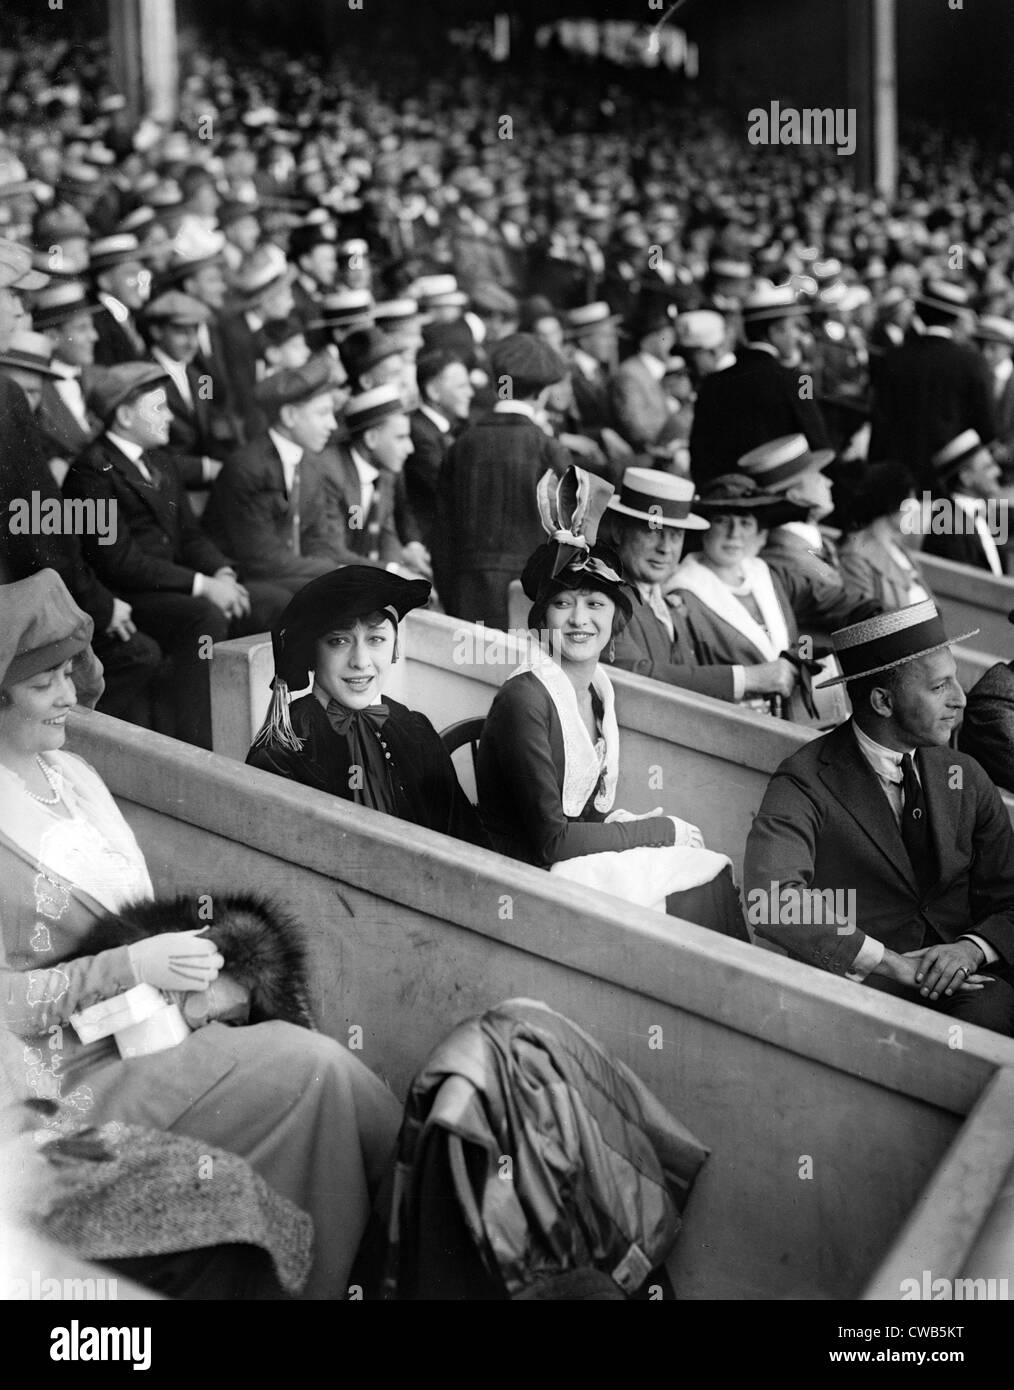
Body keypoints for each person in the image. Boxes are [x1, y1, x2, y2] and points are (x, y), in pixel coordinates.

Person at [0, 570, 404, 1298]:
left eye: (70, 674)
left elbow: (139, 911)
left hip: (146, 1029)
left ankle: (393, 1245)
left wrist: (194, 982)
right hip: (58, 1079)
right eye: (43, 686)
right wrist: (127, 967)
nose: (70, 696)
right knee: (312, 1071)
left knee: (324, 1076)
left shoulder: (75, 776)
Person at [475, 467, 746, 937]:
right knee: (682, 874)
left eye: (595, 605)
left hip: (566, 863)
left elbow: (588, 816)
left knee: (703, 867)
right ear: (542, 615)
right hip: (523, 878)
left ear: (616, 616)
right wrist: (655, 832)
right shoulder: (526, 698)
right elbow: (550, 841)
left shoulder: (599, 688)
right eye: (563, 605)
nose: (580, 620)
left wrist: (647, 831)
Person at [744, 600, 1014, 1036]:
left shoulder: (963, 773)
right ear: (883, 701)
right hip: (858, 995)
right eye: (939, 687)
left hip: (970, 985)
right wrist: (892, 964)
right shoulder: (806, 779)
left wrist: (970, 949)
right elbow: (771, 899)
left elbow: (1010, 896)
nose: (960, 699)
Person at [247, 567, 487, 846]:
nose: (360, 661)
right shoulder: (286, 748)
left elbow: (462, 838)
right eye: (339, 640)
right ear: (313, 652)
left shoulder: (413, 728)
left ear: (394, 647)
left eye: (376, 639)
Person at [599, 467, 797, 706]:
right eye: (653, 531)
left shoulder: (660, 600)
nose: (665, 548)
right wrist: (746, 679)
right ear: (619, 531)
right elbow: (632, 675)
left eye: (675, 535)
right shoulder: (603, 594)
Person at [438, 332, 572, 627]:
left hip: (466, 593)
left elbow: (443, 533)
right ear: (542, 392)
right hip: (528, 598)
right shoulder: (548, 448)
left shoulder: (462, 444)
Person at [670, 474, 824, 719]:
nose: (734, 534)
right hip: (730, 722)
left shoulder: (765, 575)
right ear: (703, 530)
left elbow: (827, 599)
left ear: (760, 533)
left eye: (745, 523)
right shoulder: (682, 596)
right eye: (722, 521)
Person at [690, 283, 831, 488]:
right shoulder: (801, 380)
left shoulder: (712, 382)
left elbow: (699, 454)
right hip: (782, 499)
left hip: (724, 497)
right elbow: (819, 443)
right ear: (775, 331)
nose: (799, 337)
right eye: (795, 327)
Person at [869, 281, 996, 490]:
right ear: (955, 321)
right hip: (949, 480)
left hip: (900, 479)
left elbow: (880, 421)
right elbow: (987, 428)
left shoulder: (893, 358)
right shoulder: (972, 362)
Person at [838, 460, 933, 611]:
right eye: (909, 498)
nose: (916, 507)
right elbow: (862, 617)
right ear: (890, 501)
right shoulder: (855, 556)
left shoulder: (902, 553)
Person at [921, 430, 1008, 575]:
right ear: (966, 477)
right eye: (988, 467)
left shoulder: (988, 516)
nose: (997, 472)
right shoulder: (946, 524)